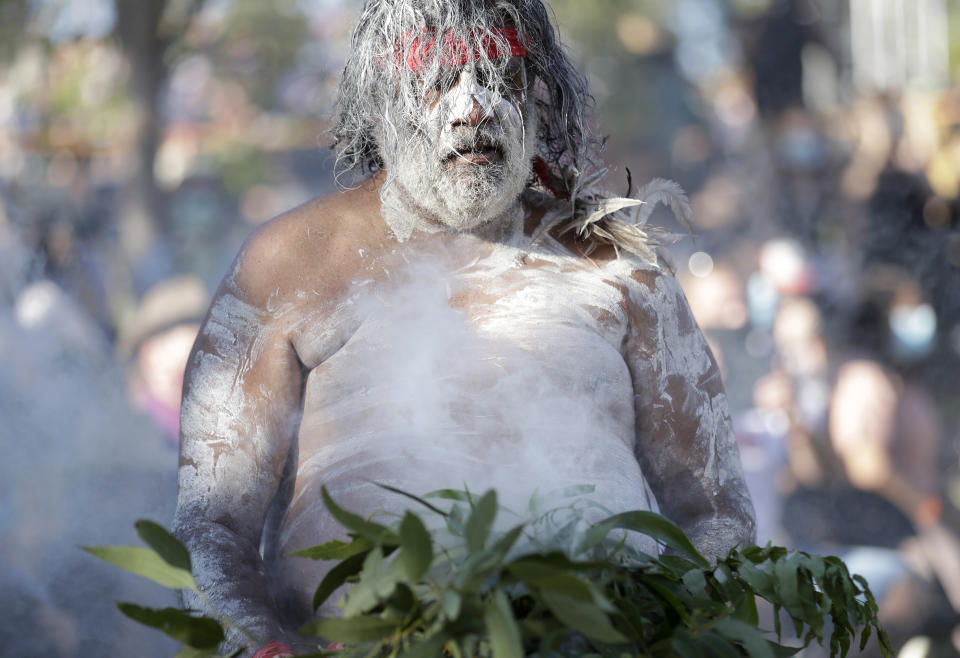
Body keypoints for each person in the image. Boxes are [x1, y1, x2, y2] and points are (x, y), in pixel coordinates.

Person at [173, 1, 756, 654]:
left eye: (499, 79)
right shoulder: (292, 262)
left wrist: (674, 626)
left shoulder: (617, 263)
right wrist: (263, 649)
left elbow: (716, 514)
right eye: (439, 80)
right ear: (385, 98)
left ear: (538, 95)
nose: (472, 107)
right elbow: (210, 529)